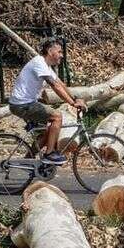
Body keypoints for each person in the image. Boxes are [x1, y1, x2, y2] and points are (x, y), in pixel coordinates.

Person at [8, 37, 86, 165]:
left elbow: (60, 84)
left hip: (26, 103)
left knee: (47, 131)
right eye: (59, 52)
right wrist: (72, 104)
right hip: (22, 105)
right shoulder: (39, 62)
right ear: (50, 51)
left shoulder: (46, 66)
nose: (61, 55)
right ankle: (49, 154)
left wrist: (75, 99)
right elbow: (54, 86)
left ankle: (28, 161)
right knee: (57, 116)